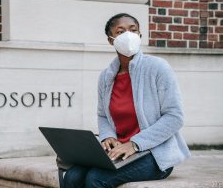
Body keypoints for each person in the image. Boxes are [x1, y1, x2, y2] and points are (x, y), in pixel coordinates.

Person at [63, 13, 191, 188]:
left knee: (96, 178)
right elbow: (103, 115)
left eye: (133, 30)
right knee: (72, 176)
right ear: (111, 40)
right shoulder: (106, 77)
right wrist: (108, 137)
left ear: (139, 35)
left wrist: (135, 144)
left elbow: (174, 117)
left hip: (153, 153)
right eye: (120, 31)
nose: (128, 35)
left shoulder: (158, 68)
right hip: (118, 151)